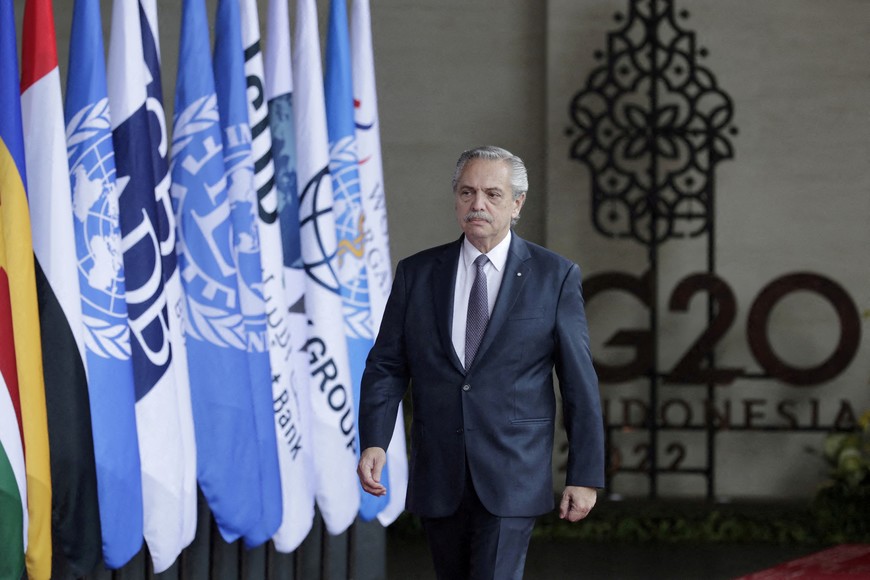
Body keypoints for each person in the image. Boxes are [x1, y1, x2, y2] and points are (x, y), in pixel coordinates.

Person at [357, 145, 604, 579]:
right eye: (467, 193)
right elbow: (387, 365)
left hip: (512, 471)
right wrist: (375, 439)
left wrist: (584, 474)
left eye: (492, 194)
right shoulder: (417, 274)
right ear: (455, 199)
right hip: (440, 471)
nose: (478, 205)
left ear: (517, 203)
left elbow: (578, 381)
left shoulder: (555, 276)